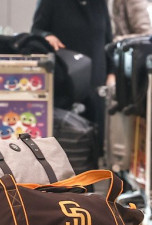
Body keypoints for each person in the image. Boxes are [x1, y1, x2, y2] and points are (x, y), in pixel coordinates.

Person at [31, 0, 114, 166]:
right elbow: (36, 31)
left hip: (96, 81)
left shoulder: (99, 4)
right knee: (67, 138)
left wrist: (111, 73)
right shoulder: (51, 3)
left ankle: (90, 184)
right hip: (66, 82)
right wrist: (46, 35)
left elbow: (107, 41)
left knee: (94, 140)